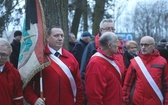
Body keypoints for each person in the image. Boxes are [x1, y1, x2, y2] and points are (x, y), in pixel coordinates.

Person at [23, 26, 84, 105]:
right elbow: (27, 84)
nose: (60, 38)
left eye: (62, 36)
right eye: (56, 35)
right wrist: (34, 99)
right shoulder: (39, 58)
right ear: (47, 37)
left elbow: (78, 86)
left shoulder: (71, 58)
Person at [80, 19, 125, 105]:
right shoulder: (94, 55)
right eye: (108, 29)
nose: (118, 45)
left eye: (112, 29)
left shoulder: (118, 53)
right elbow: (94, 93)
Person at [122, 36, 168, 105]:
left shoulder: (162, 62)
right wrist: (125, 102)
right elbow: (127, 85)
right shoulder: (135, 62)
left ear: (153, 46)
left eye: (146, 45)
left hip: (156, 101)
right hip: (137, 102)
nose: (143, 47)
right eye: (141, 45)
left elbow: (166, 86)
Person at [0, 38, 23, 105]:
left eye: (3, 55)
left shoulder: (14, 73)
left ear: (9, 55)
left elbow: (18, 98)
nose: (0, 57)